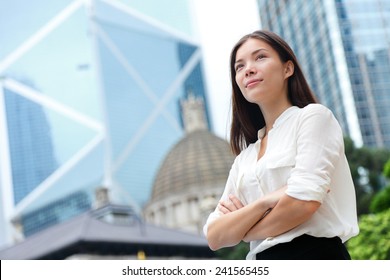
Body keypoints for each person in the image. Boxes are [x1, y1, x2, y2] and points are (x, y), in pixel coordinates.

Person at [203, 30, 359, 260]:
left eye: (260, 57)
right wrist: (265, 202)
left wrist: (244, 230)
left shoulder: (313, 118)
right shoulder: (243, 160)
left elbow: (303, 203)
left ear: (288, 68)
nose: (248, 69)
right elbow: (215, 236)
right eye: (239, 66)